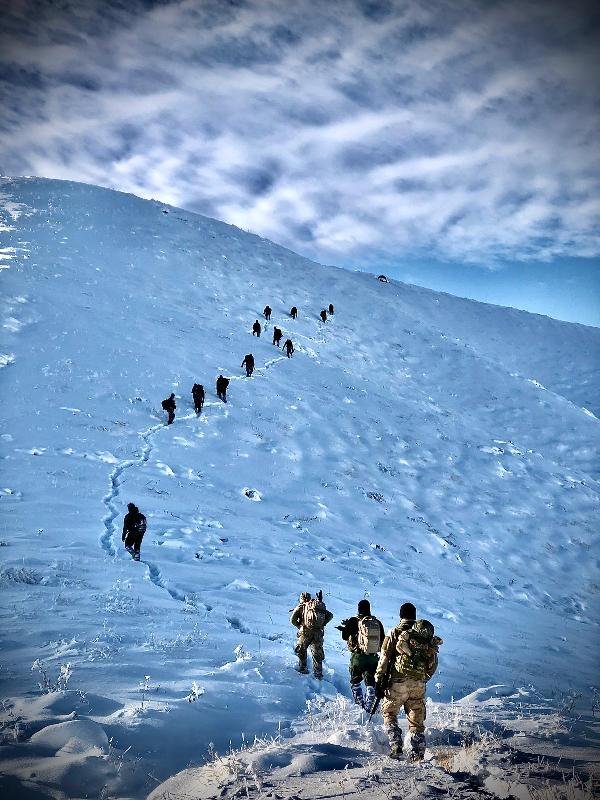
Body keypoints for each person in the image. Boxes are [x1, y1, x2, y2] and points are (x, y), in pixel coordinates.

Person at [374, 603, 442, 761]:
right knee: (416, 719)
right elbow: (433, 663)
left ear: (400, 615)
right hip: (418, 683)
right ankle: (417, 754)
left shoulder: (395, 632)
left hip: (397, 682)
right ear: (414, 616)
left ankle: (396, 746)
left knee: (389, 713)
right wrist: (422, 678)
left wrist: (379, 679)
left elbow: (384, 657)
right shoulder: (425, 637)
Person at [337, 599, 385, 711]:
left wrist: (346, 629)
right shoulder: (376, 622)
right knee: (371, 681)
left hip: (358, 656)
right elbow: (382, 640)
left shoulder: (354, 620)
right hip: (373, 657)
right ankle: (370, 704)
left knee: (355, 680)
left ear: (358, 609)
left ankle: (359, 705)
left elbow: (344, 636)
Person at [290, 590, 333, 679]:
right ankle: (318, 673)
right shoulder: (317, 606)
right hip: (318, 633)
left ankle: (303, 668)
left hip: (305, 632)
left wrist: (299, 626)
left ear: (301, 599)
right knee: (317, 652)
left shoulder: (301, 606)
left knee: (301, 650)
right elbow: (330, 615)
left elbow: (292, 620)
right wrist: (322, 624)